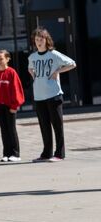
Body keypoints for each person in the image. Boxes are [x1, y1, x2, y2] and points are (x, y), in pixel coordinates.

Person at [28, 27, 76, 163]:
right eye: (37, 40)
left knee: (57, 126)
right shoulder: (32, 57)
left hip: (54, 95)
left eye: (41, 39)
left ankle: (59, 154)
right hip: (39, 96)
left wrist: (58, 71)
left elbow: (72, 63)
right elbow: (30, 67)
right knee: (44, 126)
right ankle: (46, 153)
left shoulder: (54, 54)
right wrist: (31, 72)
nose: (39, 42)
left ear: (46, 40)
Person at [0, 50, 25, 162]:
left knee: (11, 129)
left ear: (7, 59)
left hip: (10, 106)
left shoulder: (11, 72)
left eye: (1, 59)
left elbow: (17, 89)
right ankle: (6, 153)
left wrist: (15, 105)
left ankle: (15, 154)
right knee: (3, 130)